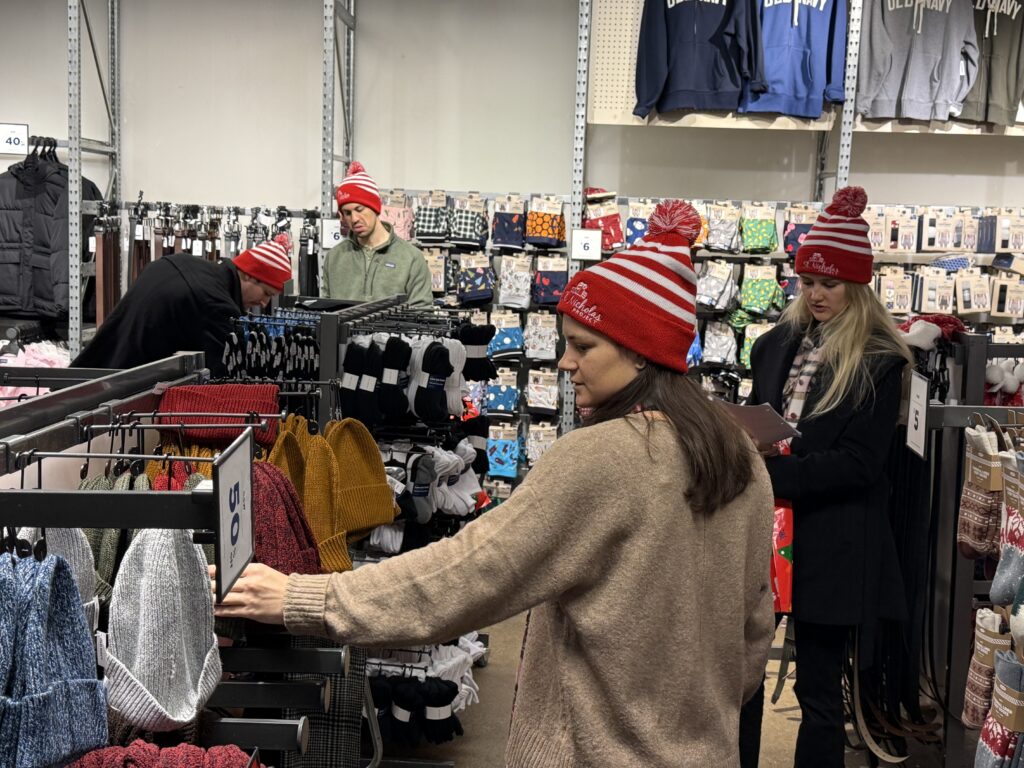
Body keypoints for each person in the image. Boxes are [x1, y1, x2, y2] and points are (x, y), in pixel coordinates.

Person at [213, 200, 775, 766]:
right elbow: (754, 634)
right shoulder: (740, 460)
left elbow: (464, 576)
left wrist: (305, 598)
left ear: (641, 355)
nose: (563, 363)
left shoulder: (602, 459)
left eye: (584, 346)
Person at [739, 187, 913, 768]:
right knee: (742, 681)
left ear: (858, 288)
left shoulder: (880, 360)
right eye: (808, 281)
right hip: (767, 533)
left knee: (818, 694)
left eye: (830, 284)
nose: (815, 294)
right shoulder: (771, 346)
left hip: (833, 543)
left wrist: (773, 470)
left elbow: (861, 466)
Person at [71, 241, 292, 376]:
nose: (264, 303)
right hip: (121, 392)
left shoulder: (188, 263)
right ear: (248, 275)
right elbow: (223, 375)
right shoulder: (216, 304)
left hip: (98, 370)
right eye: (266, 293)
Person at [321, 162, 433, 308]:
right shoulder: (334, 257)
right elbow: (325, 309)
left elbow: (422, 315)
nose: (354, 219)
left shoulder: (411, 258)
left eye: (359, 209)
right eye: (347, 213)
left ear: (375, 207)